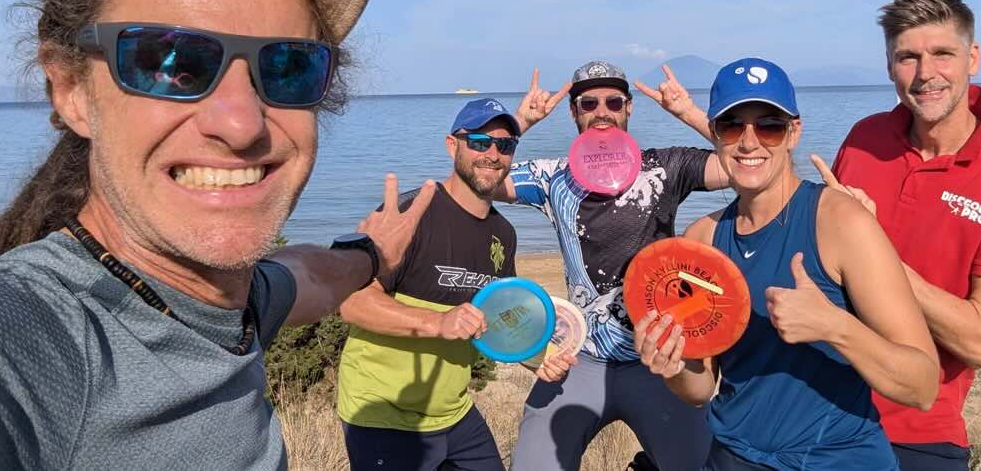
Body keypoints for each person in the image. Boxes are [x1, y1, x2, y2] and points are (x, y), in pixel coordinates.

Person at [0, 0, 434, 469]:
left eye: (287, 67)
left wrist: (371, 256)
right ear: (71, 90)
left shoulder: (230, 305)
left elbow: (305, 275)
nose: (241, 125)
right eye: (172, 63)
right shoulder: (25, 338)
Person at [634, 58, 940, 470]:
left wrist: (835, 326)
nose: (749, 142)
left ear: (793, 132)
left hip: (838, 459)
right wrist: (670, 366)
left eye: (769, 126)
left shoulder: (841, 222)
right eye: (731, 125)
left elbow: (922, 385)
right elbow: (701, 388)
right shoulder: (701, 240)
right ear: (714, 134)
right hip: (732, 456)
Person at [821, 0, 981, 470]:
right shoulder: (865, 138)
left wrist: (872, 250)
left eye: (942, 54)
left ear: (973, 57)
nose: (925, 74)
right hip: (814, 405)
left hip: (915, 424)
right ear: (889, 65)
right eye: (907, 57)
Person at [498, 61, 729, 471]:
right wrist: (519, 123)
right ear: (573, 112)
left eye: (613, 101)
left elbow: (744, 164)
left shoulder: (665, 167)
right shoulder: (554, 177)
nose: (601, 110)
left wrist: (689, 114)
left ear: (629, 108)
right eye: (588, 102)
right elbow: (479, 178)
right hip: (579, 358)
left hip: (657, 361)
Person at [336, 98, 577, 471]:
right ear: (453, 145)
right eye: (480, 142)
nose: (493, 154)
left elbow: (497, 322)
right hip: (384, 414)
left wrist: (537, 359)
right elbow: (351, 302)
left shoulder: (503, 234)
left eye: (505, 145)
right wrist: (438, 323)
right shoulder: (412, 214)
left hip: (454, 412)